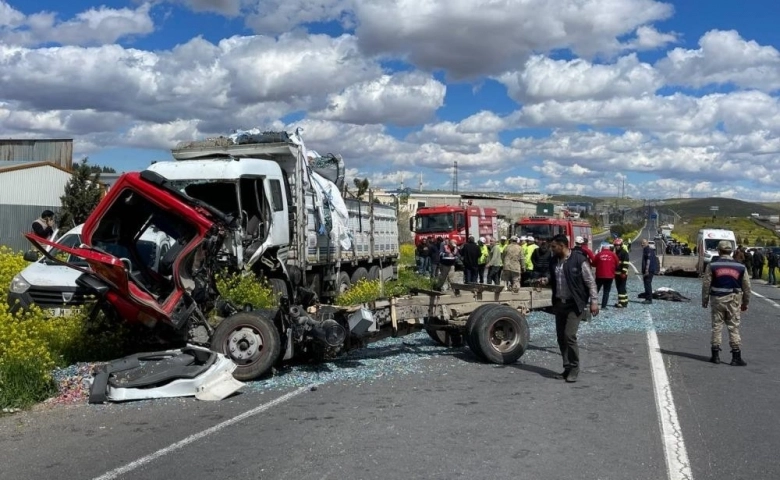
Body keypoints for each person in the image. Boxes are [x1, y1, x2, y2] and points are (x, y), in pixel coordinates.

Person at [541, 233, 599, 383]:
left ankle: (574, 367)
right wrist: (545, 280)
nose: (551, 249)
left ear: (562, 246)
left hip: (575, 304)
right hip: (559, 303)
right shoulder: (554, 260)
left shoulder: (579, 260)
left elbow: (590, 282)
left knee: (569, 336)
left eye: (554, 246)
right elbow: (553, 277)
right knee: (561, 338)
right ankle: (566, 367)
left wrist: (594, 301)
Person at [701, 240, 751, 366]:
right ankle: (736, 355)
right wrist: (745, 302)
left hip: (717, 299)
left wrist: (705, 299)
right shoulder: (740, 266)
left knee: (717, 326)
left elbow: (706, 284)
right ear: (732, 251)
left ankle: (715, 355)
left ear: (719, 251)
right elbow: (747, 287)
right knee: (733, 327)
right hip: (734, 299)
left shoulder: (713, 265)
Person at [594, 243, 619, 309]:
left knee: (596, 290)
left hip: (599, 275)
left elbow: (593, 263)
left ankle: (593, 304)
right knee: (606, 291)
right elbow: (617, 264)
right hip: (609, 276)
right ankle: (603, 306)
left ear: (602, 248)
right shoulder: (613, 255)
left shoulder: (599, 254)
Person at [640, 239, 659, 304]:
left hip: (649, 270)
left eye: (643, 243)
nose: (642, 244)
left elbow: (648, 260)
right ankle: (648, 298)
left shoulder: (647, 250)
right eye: (642, 243)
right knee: (647, 284)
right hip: (651, 270)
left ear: (647, 243)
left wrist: (646, 270)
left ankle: (649, 299)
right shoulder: (650, 250)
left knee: (647, 284)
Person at [613, 238, 630, 308]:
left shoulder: (624, 252)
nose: (617, 246)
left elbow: (626, 263)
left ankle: (622, 303)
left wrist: (623, 272)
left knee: (621, 288)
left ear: (621, 245)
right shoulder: (616, 252)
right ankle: (625, 301)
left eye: (618, 245)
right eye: (616, 245)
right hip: (617, 274)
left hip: (622, 274)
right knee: (621, 287)